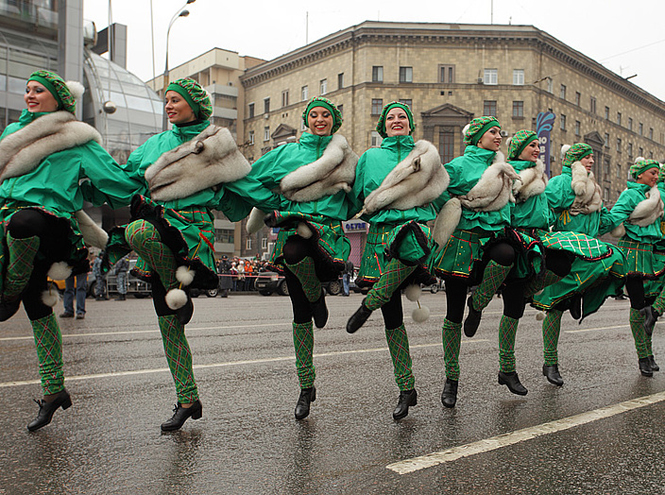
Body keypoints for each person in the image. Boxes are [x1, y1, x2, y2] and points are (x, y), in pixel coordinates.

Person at [103, 78, 284, 431]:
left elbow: (247, 183)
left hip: (189, 234)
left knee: (136, 230)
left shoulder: (216, 143)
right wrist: (80, 181)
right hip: (158, 231)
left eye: (176, 100)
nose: (169, 106)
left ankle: (179, 293)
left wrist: (286, 202)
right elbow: (124, 180)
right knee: (168, 325)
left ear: (195, 105)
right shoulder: (154, 144)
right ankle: (188, 400)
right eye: (166, 101)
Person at [0, 70, 138, 431]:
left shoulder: (77, 140)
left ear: (58, 98)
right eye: (27, 89)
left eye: (38, 91)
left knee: (24, 224)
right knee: (38, 305)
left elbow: (115, 182)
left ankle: (10, 290)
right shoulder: (12, 133)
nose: (30, 95)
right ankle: (53, 391)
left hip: (51, 227)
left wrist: (152, 177)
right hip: (9, 222)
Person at [245, 97, 357, 420]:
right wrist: (277, 200)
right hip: (294, 233)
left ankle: (316, 292)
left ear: (334, 121)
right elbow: (253, 179)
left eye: (325, 115)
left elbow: (362, 195)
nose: (319, 120)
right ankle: (306, 386)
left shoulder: (348, 159)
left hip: (328, 244)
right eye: (314, 115)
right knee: (299, 312)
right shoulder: (287, 153)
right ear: (306, 120)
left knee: (298, 248)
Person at [346, 101, 448, 419]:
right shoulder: (370, 157)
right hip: (380, 237)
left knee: (409, 243)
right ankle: (406, 389)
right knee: (393, 321)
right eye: (390, 118)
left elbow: (443, 192)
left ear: (409, 124)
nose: (396, 120)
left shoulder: (424, 156)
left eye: (402, 116)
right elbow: (355, 197)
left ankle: (367, 305)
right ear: (383, 127)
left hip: (414, 233)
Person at [433, 116, 535, 407]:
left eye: (500, 132)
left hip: (496, 237)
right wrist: (457, 207)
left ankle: (477, 305)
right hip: (463, 243)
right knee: (452, 313)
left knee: (507, 255)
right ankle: (451, 378)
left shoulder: (503, 167)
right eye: (492, 132)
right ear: (478, 138)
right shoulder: (460, 166)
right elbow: (437, 191)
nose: (498, 136)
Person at [532, 144, 624, 385]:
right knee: (555, 307)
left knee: (614, 259)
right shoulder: (561, 183)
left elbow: (602, 221)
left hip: (588, 247)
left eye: (592, 156)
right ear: (573, 161)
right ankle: (550, 362)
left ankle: (578, 293)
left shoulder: (593, 188)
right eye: (586, 157)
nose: (591, 161)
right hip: (564, 246)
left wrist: (624, 211)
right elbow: (545, 211)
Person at [605, 158, 663, 376]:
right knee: (638, 305)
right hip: (631, 253)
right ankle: (642, 357)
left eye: (657, 174)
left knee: (649, 305)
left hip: (649, 253)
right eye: (652, 173)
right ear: (639, 175)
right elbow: (614, 218)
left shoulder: (654, 196)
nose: (656, 177)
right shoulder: (630, 194)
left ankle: (649, 354)